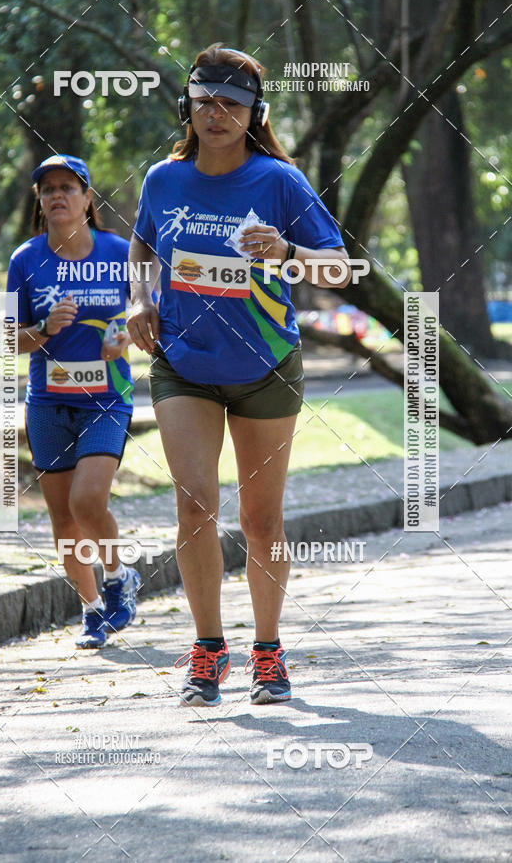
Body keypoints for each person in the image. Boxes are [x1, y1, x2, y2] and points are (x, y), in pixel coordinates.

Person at [126, 44, 351, 706]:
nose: (217, 114)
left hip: (265, 367)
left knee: (261, 519)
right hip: (183, 365)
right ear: (187, 109)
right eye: (204, 103)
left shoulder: (279, 182)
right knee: (194, 504)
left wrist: (287, 251)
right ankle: (207, 648)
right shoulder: (163, 181)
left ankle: (269, 652)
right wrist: (141, 296)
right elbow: (143, 241)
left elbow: (336, 269)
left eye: (231, 104)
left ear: (254, 113)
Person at [7, 154, 140, 649]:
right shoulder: (24, 260)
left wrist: (122, 335)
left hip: (108, 396)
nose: (56, 196)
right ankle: (91, 613)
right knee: (63, 518)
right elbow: (4, 338)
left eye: (67, 187)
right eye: (47, 190)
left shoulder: (120, 251)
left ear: (88, 198)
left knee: (88, 501)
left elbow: (150, 313)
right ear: (40, 202)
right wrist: (42, 329)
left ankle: (117, 576)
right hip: (47, 401)